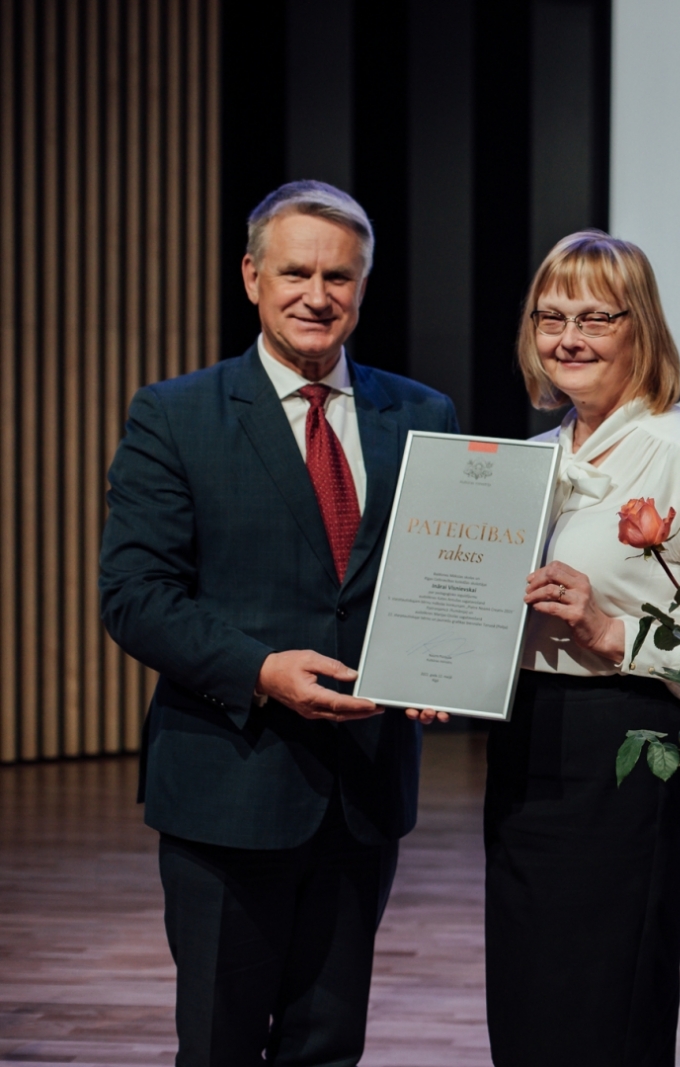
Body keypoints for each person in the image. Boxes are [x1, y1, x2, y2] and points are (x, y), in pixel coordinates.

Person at [99, 180, 459, 1065]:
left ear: (364, 285)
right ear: (252, 277)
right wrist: (262, 670)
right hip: (229, 781)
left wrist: (452, 658)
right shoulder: (174, 416)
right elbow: (135, 594)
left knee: (329, 1046)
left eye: (339, 275)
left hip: (363, 794)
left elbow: (445, 580)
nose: (317, 294)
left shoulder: (423, 415)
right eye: (295, 271)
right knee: (219, 1044)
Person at [472, 231, 680, 1066]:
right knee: (525, 1004)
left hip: (629, 753)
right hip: (524, 741)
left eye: (595, 316)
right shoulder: (524, 462)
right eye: (550, 315)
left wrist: (614, 633)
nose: (569, 336)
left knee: (605, 1007)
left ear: (642, 329)